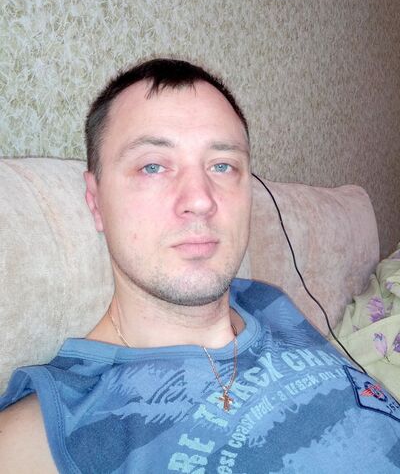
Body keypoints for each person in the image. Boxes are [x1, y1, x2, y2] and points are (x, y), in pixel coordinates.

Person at [0, 58, 399, 473]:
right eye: (153, 166)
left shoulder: (265, 300)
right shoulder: (51, 434)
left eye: (222, 165)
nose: (200, 199)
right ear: (95, 200)